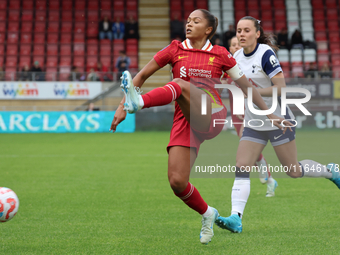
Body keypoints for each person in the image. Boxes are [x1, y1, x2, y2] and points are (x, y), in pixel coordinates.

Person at [110, 10, 290, 245]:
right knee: (177, 181)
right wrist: (122, 106)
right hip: (185, 119)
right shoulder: (174, 49)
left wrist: (269, 113)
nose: (189, 24)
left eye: (196, 21)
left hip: (211, 113)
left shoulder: (221, 54)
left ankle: (141, 102)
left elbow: (246, 87)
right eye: (187, 21)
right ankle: (208, 214)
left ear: (208, 30)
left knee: (179, 83)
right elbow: (142, 75)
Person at [216, 16, 339, 234]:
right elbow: (238, 84)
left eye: (246, 30)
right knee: (242, 166)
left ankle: (331, 172)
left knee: (293, 170)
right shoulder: (235, 56)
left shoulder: (265, 54)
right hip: (254, 122)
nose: (241, 34)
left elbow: (280, 88)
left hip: (278, 120)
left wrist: (251, 91)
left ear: (256, 33)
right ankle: (236, 218)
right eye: (238, 31)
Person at [226, 36, 277, 197]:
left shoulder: (246, 65)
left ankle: (266, 175)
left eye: (237, 44)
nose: (235, 47)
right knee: (247, 149)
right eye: (232, 45)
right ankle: (269, 179)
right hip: (235, 112)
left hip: (250, 109)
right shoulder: (227, 66)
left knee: (246, 143)